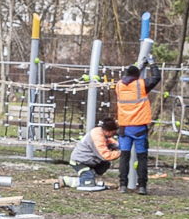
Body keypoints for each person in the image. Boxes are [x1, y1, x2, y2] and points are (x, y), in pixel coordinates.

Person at [114, 58, 161, 194]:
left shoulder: (119, 86)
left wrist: (139, 67)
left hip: (124, 127)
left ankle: (122, 185)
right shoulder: (142, 85)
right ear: (138, 76)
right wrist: (152, 63)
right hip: (139, 127)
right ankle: (142, 186)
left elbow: (129, 79)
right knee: (141, 157)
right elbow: (156, 77)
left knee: (124, 157)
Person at [62, 118, 121, 190]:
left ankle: (89, 176)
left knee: (105, 164)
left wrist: (118, 145)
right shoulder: (97, 138)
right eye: (113, 133)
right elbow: (106, 155)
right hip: (79, 161)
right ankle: (66, 180)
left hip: (87, 160)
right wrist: (120, 152)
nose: (113, 135)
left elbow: (109, 141)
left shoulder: (100, 131)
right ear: (107, 131)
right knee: (88, 183)